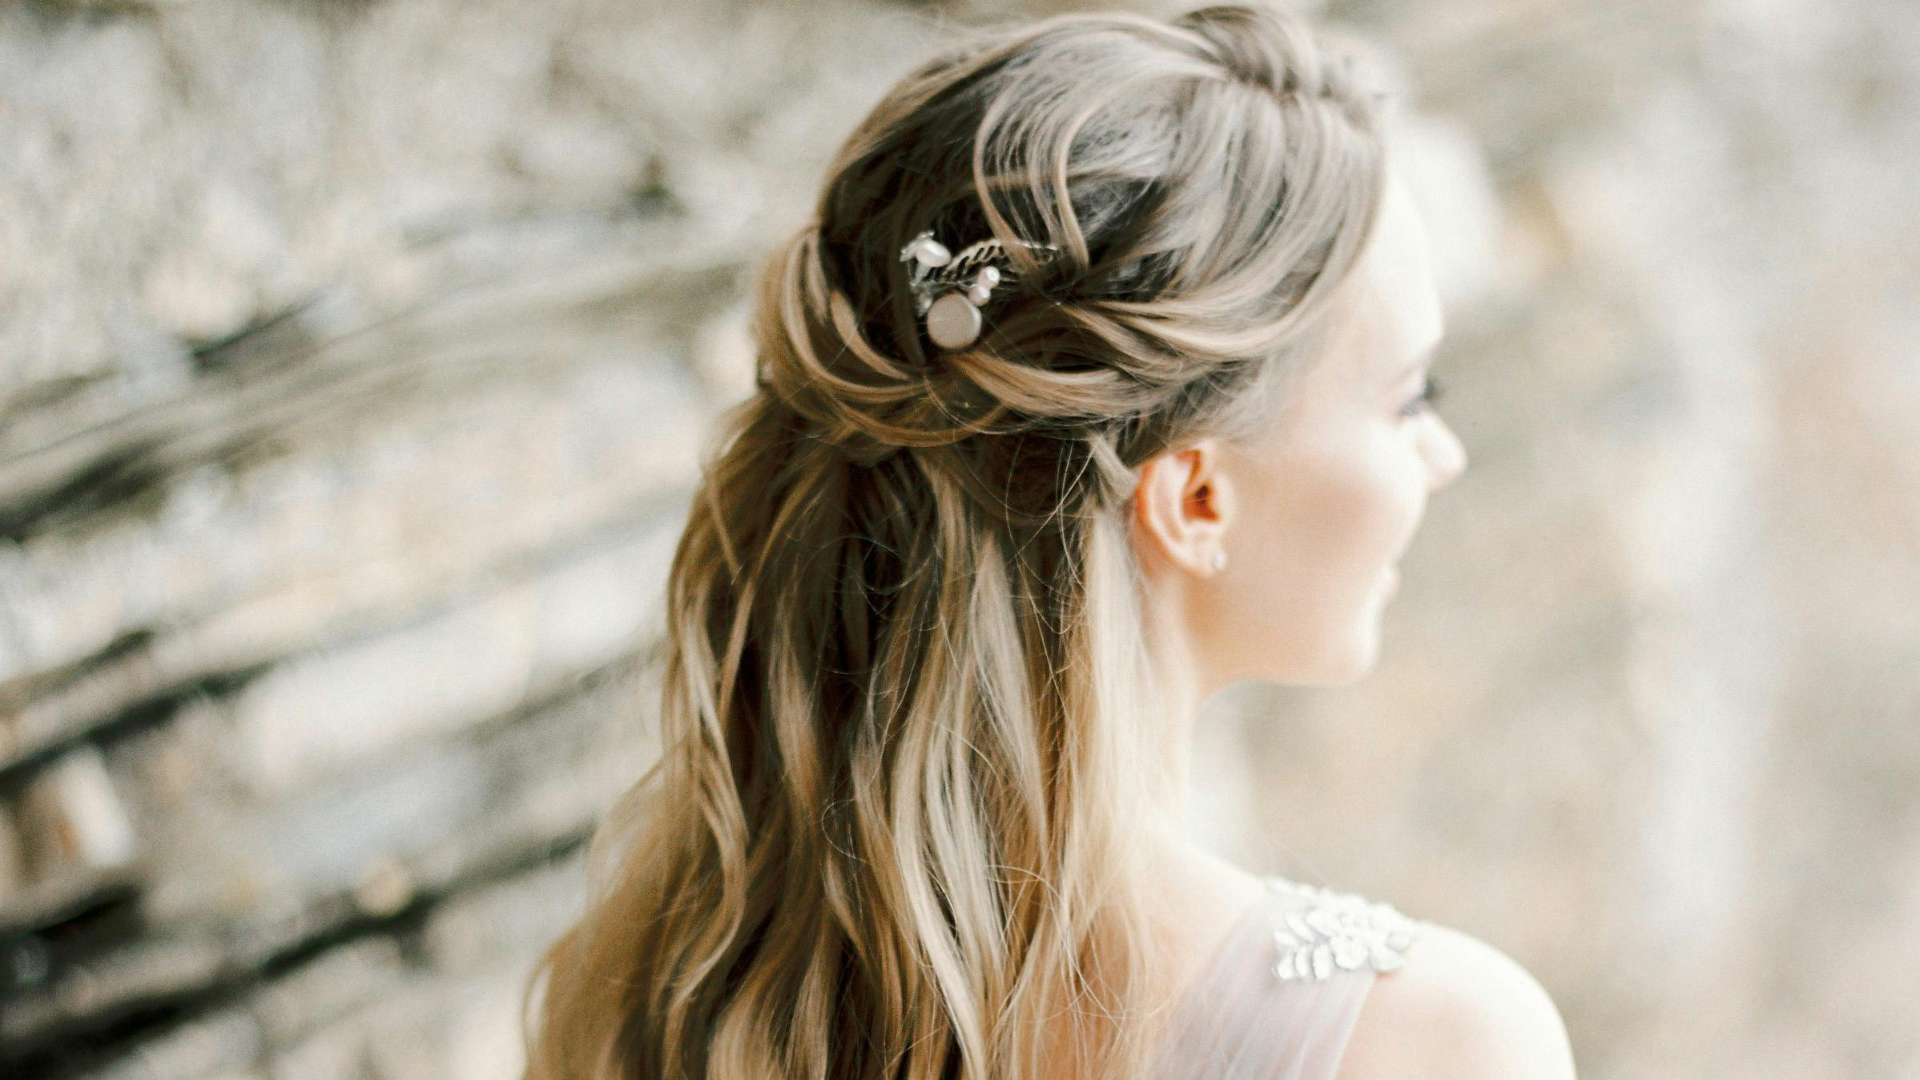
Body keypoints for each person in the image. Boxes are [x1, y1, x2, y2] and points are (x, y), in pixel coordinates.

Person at [521, 5, 1578, 1079]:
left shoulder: (657, 997)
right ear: (1195, 501)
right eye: (1410, 398)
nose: (1440, 453)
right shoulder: (1430, 1043)